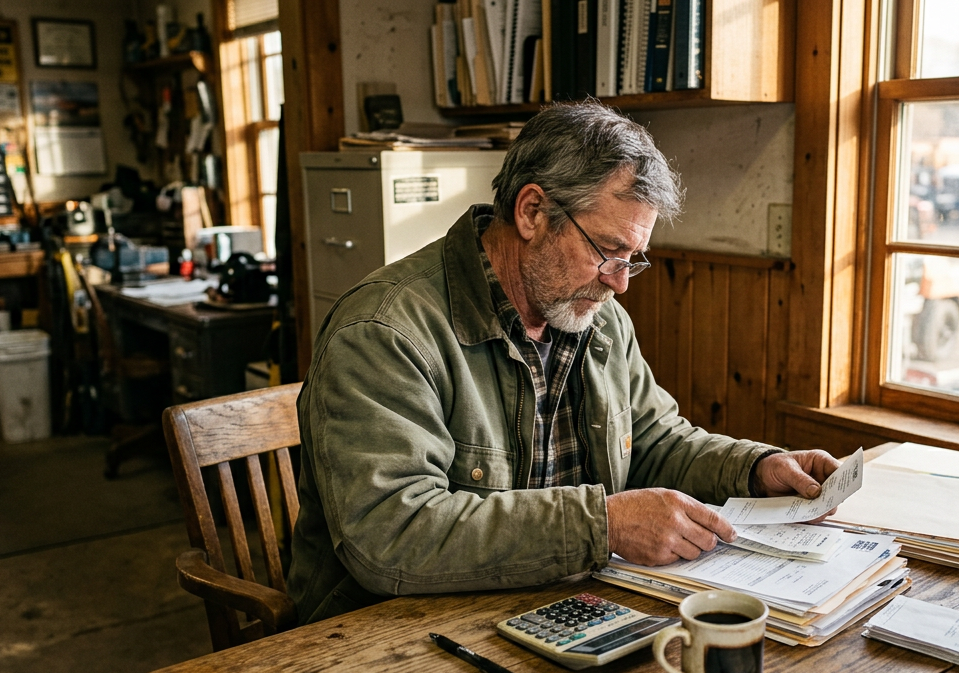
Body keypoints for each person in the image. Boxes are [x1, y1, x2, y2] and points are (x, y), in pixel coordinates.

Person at [286, 102, 845, 624]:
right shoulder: (384, 332)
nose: (620, 284)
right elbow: (391, 534)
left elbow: (654, 441)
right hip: (385, 631)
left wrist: (754, 468)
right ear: (532, 212)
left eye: (633, 258)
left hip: (549, 604)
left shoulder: (596, 318)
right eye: (608, 251)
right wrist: (602, 525)